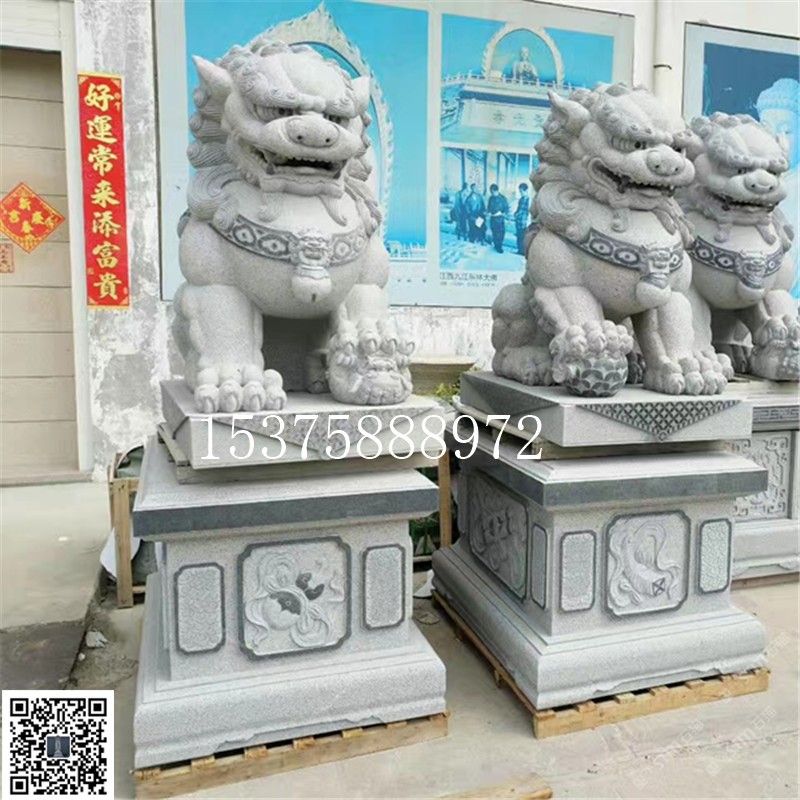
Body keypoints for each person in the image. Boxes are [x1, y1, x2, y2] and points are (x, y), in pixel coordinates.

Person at [487, 183, 509, 253]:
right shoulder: (491, 198)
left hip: (500, 220)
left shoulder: (503, 198)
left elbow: (506, 209)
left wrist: (501, 213)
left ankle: (499, 247)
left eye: (492, 192)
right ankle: (496, 245)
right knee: (494, 233)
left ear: (496, 191)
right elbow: (488, 208)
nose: (492, 193)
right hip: (492, 219)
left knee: (500, 234)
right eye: (491, 192)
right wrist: (488, 212)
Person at [514, 183, 530, 255]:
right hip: (518, 221)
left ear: (526, 190)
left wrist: (528, 222)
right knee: (519, 236)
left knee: (523, 237)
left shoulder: (529, 200)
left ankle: (523, 251)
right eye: (520, 191)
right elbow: (518, 209)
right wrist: (515, 213)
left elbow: (528, 212)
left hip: (524, 222)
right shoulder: (521, 199)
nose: (520, 193)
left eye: (521, 191)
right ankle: (519, 250)